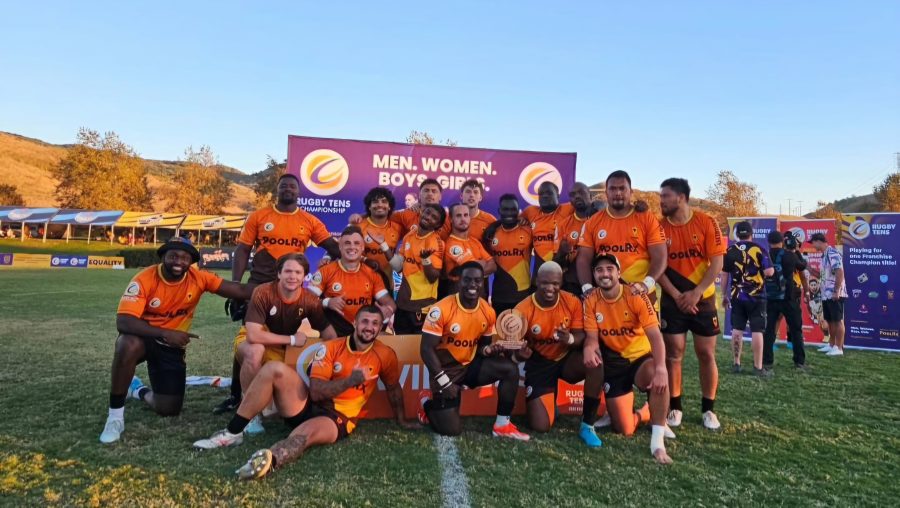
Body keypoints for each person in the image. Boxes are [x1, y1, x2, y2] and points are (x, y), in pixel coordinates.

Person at [193, 306, 417, 479]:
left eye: (375, 323)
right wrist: (351, 380)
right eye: (365, 321)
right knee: (273, 370)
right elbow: (318, 392)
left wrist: (402, 419)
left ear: (380, 327)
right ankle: (232, 433)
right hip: (308, 403)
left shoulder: (385, 354)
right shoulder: (331, 347)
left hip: (337, 418)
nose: (369, 327)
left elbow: (394, 388)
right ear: (355, 322)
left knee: (303, 437)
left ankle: (267, 461)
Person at [99, 237, 253, 444]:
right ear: (163, 257)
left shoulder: (199, 277)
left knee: (168, 409)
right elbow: (124, 322)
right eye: (173, 256)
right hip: (144, 339)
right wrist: (165, 332)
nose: (178, 261)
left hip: (171, 347)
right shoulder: (145, 278)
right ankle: (115, 417)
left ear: (191, 261)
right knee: (127, 344)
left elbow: (241, 290)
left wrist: (285, 284)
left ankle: (137, 389)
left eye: (184, 257)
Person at [216, 173, 341, 414]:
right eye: (284, 186)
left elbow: (333, 247)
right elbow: (242, 251)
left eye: (292, 187)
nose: (288, 190)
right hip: (259, 285)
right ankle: (236, 396)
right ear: (277, 190)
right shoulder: (260, 215)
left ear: (298, 192)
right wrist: (237, 286)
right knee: (250, 338)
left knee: (282, 335)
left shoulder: (309, 220)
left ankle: (273, 391)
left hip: (291, 287)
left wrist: (333, 262)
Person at [418, 262, 529, 440]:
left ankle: (502, 425)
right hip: (446, 371)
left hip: (469, 366)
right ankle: (427, 404)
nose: (472, 285)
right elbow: (426, 349)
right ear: (458, 281)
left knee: (509, 369)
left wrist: (489, 350)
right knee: (451, 430)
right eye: (467, 280)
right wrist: (445, 383)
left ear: (483, 282)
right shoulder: (441, 309)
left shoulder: (487, 311)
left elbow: (481, 348)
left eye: (477, 280)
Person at [582, 254, 673, 465]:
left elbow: (655, 336)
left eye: (609, 269)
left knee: (658, 375)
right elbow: (592, 339)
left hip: (640, 358)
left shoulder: (635, 295)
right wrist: (589, 348)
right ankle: (644, 413)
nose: (605, 274)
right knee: (625, 429)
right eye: (599, 270)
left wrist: (661, 368)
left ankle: (657, 443)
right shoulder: (591, 299)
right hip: (614, 363)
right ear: (594, 275)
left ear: (618, 272)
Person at [237, 253, 338, 434]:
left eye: (298, 272)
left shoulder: (309, 299)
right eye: (288, 271)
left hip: (281, 348)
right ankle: (250, 416)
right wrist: (292, 339)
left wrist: (335, 354)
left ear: (304, 276)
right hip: (253, 340)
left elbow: (329, 334)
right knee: (255, 351)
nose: (293, 276)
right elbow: (253, 335)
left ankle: (266, 404)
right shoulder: (263, 292)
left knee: (277, 407)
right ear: (279, 274)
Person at [657, 178, 726, 431]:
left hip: (703, 300)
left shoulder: (706, 222)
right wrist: (677, 296)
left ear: (681, 198)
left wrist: (696, 293)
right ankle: (675, 408)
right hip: (672, 299)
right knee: (673, 355)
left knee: (706, 354)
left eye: (665, 196)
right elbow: (657, 267)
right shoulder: (659, 227)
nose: (661, 201)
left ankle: (709, 409)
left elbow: (717, 263)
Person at [515, 261, 604, 447]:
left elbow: (581, 336)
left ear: (561, 282)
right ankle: (548, 399)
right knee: (541, 426)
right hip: (540, 363)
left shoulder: (571, 301)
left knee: (596, 363)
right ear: (537, 281)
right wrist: (520, 353)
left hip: (566, 359)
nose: (550, 288)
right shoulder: (522, 309)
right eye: (545, 283)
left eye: (555, 283)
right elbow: (514, 347)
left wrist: (570, 339)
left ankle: (587, 425)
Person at [577, 171, 667, 300]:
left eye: (622, 188)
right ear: (606, 193)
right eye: (613, 189)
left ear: (631, 192)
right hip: (606, 295)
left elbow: (660, 256)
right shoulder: (592, 222)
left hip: (642, 294)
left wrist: (646, 284)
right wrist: (587, 288)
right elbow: (583, 259)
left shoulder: (647, 218)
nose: (618, 193)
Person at [309, 226, 396, 336]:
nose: (352, 247)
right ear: (340, 246)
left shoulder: (372, 274)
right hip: (335, 332)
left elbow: (390, 303)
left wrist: (387, 310)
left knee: (387, 338)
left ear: (362, 247)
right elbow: (306, 302)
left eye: (356, 243)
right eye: (347, 243)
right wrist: (327, 302)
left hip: (362, 331)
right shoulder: (325, 271)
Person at [722, 221, 774, 375]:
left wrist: (724, 294)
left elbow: (724, 275)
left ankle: (736, 363)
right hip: (757, 296)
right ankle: (758, 367)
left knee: (737, 329)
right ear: (751, 234)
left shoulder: (730, 250)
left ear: (737, 234)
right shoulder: (760, 249)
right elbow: (770, 271)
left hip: (736, 296)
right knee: (757, 330)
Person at [389, 203, 446, 333]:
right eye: (427, 212)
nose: (428, 217)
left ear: (437, 225)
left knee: (416, 348)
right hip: (402, 304)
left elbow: (432, 277)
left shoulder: (436, 242)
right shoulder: (409, 235)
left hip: (421, 307)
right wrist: (384, 246)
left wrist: (425, 259)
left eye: (434, 217)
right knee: (401, 345)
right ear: (421, 213)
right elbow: (398, 267)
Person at [762, 231, 807, 370]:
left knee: (769, 330)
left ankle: (767, 361)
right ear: (782, 241)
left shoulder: (764, 255)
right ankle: (799, 361)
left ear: (768, 241)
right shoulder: (789, 255)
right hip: (789, 297)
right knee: (795, 330)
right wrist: (796, 251)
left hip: (770, 298)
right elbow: (802, 266)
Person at [484, 194, 534, 314]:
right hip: (499, 294)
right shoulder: (491, 233)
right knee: (500, 331)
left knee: (522, 331)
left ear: (518, 211)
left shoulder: (528, 230)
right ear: (499, 211)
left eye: (513, 209)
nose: (509, 213)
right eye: (505, 209)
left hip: (523, 294)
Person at [553, 182, 601, 297]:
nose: (577, 196)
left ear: (590, 195)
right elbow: (557, 263)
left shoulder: (602, 219)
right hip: (572, 286)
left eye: (581, 192)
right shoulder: (563, 225)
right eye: (573, 194)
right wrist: (561, 252)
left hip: (601, 282)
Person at [442, 203, 496, 296]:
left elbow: (493, 266)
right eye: (458, 216)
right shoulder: (452, 245)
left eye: (466, 215)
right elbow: (472, 270)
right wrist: (482, 262)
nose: (463, 219)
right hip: (459, 295)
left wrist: (477, 265)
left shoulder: (475, 241)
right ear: (451, 219)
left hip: (479, 294)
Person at [522, 182, 574, 276]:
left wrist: (599, 205)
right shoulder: (530, 212)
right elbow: (511, 219)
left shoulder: (569, 208)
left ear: (557, 196)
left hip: (563, 270)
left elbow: (590, 207)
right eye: (541, 194)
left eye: (549, 193)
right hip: (539, 272)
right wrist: (493, 226)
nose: (545, 196)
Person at [356, 187, 404, 286]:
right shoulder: (358, 227)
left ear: (389, 206)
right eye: (375, 202)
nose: (380, 205)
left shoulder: (398, 228)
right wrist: (365, 260)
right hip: (361, 281)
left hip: (386, 283)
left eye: (384, 201)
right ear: (369, 206)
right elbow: (343, 250)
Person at [809, 233, 847, 356]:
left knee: (838, 320)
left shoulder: (832, 253)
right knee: (830, 320)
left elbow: (839, 271)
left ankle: (839, 348)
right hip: (826, 294)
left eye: (813, 243)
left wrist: (836, 291)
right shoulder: (824, 255)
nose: (812, 245)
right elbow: (822, 275)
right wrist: (808, 268)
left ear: (818, 241)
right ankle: (831, 345)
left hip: (835, 293)